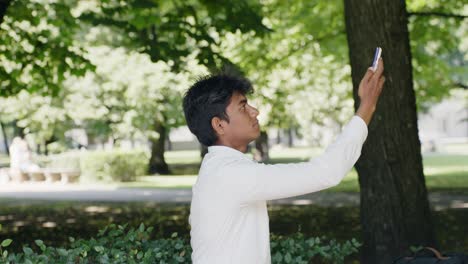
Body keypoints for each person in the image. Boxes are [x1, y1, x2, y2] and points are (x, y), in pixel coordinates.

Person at [183, 59, 385, 264]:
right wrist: (367, 105)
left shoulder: (220, 169)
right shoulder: (229, 175)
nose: (255, 111)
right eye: (243, 107)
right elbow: (326, 172)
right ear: (219, 124)